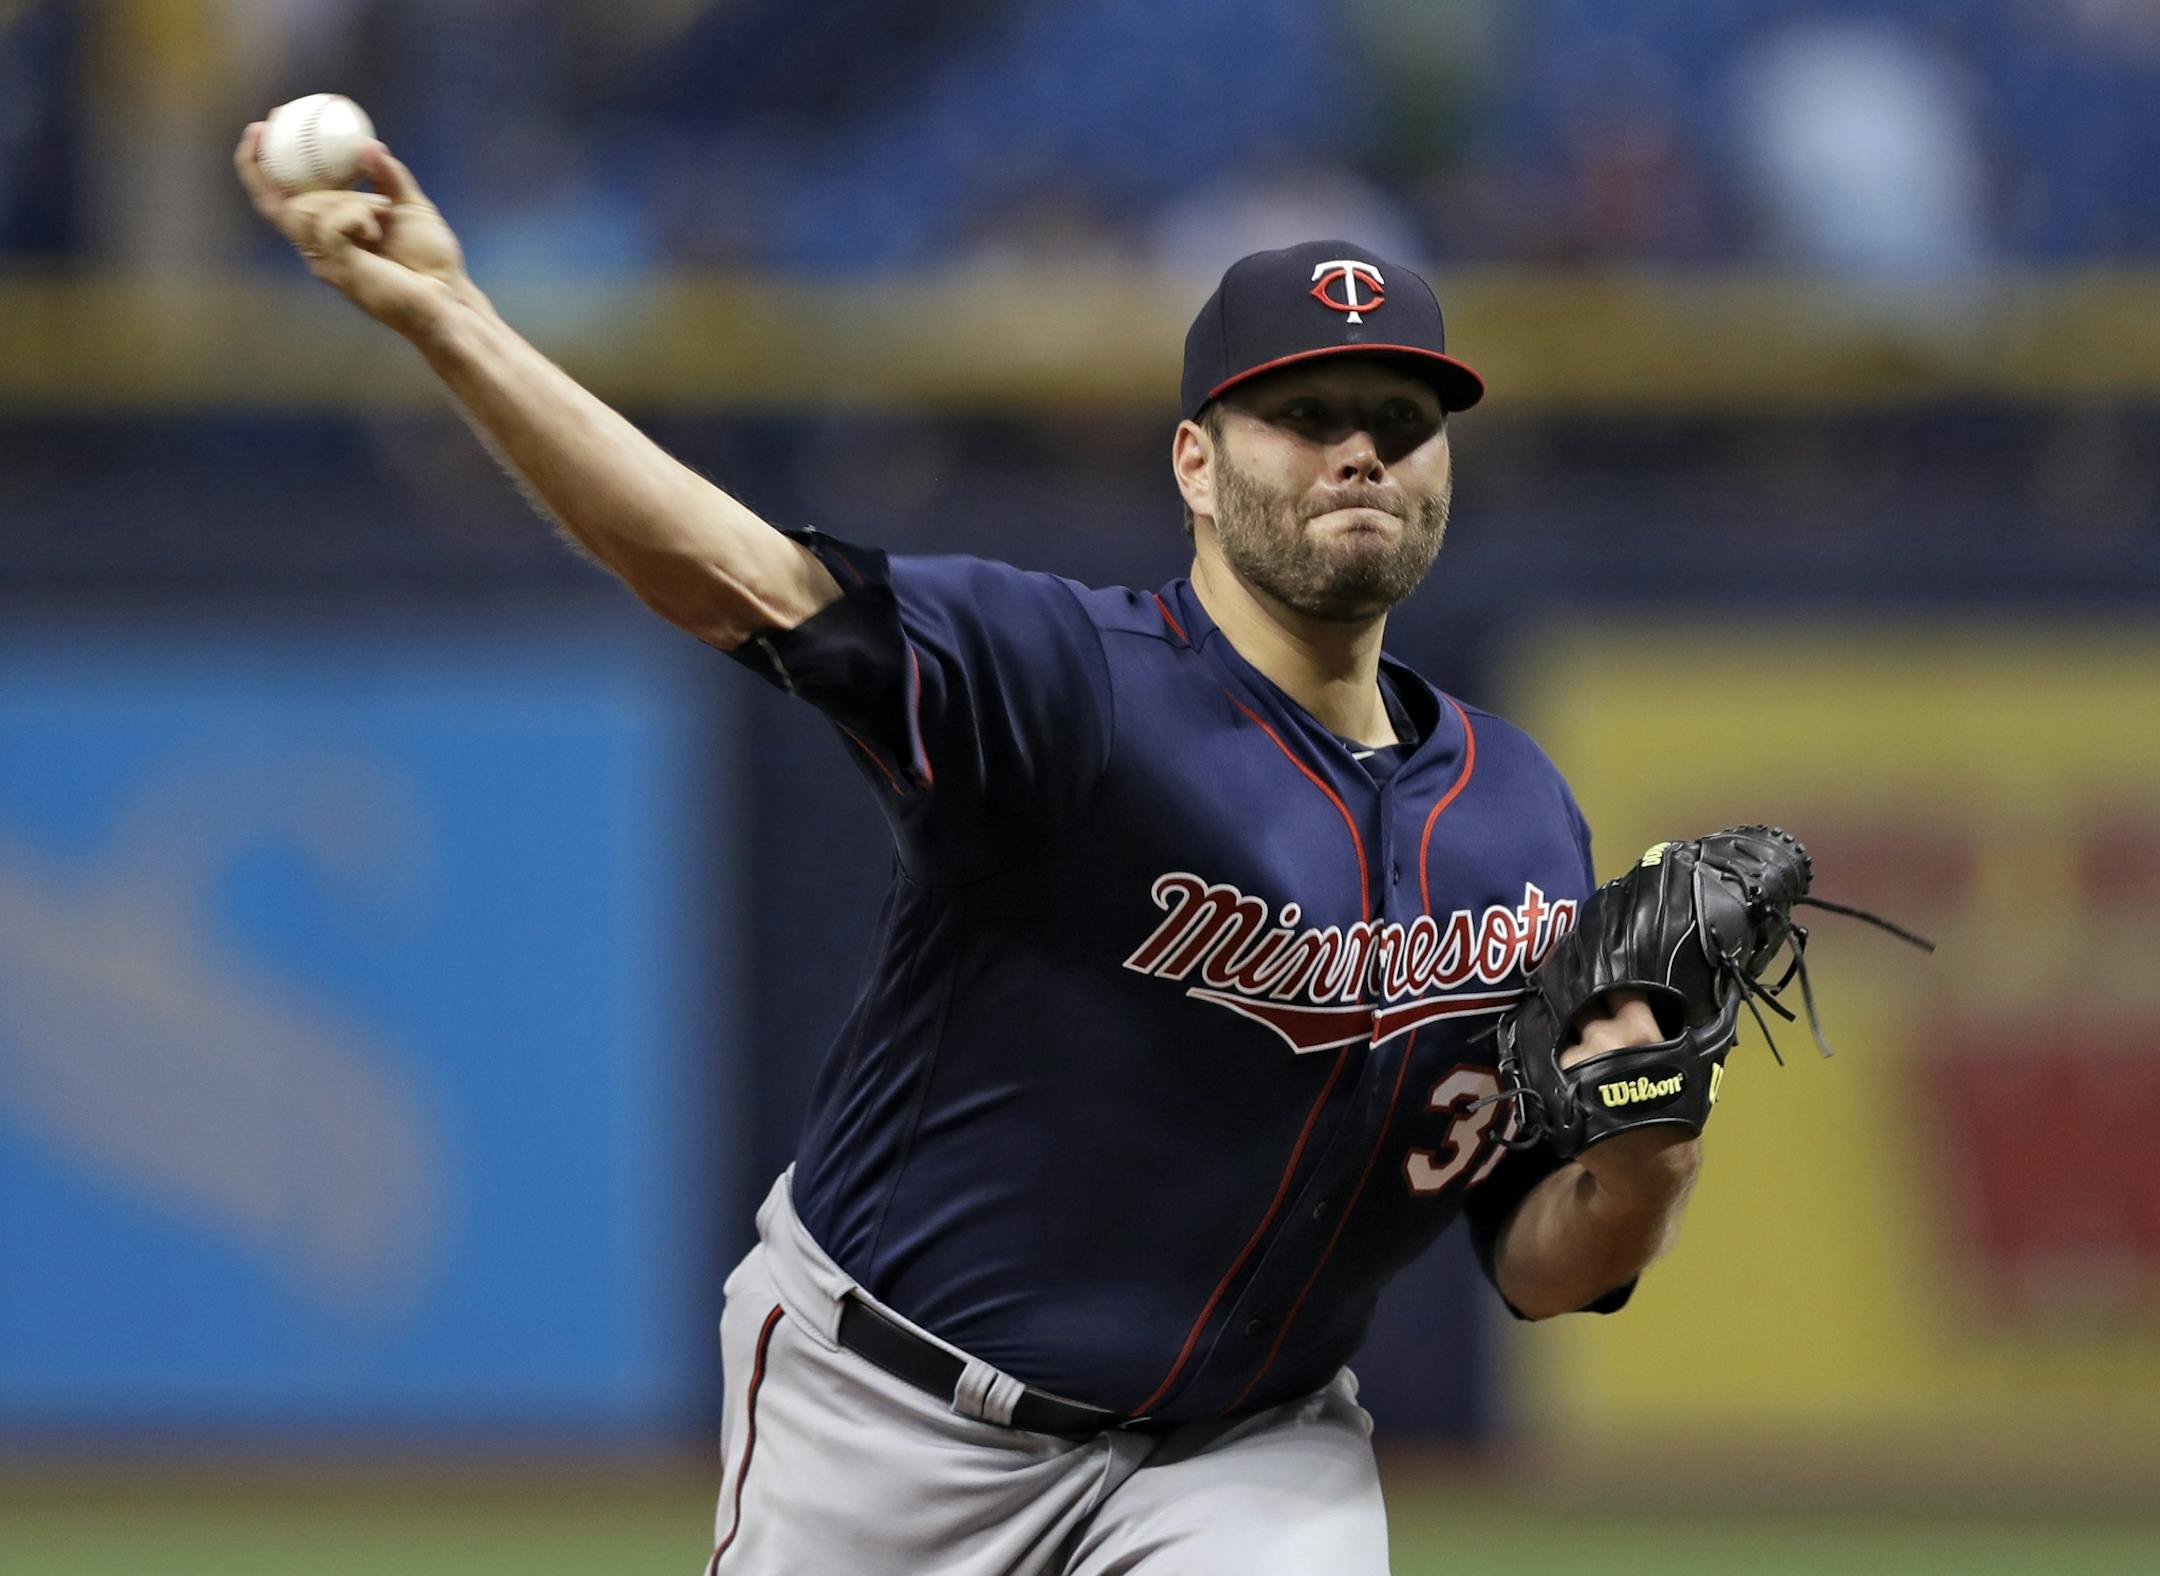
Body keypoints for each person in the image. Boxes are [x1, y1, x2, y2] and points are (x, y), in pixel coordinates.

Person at [237, 127, 1700, 1575]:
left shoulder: (1519, 818)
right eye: (1303, 412)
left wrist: (1644, 1163)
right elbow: (730, 572)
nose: (1361, 445)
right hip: (892, 1422)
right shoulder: (1065, 677)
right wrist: (449, 316)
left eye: (1400, 413)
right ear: (1195, 464)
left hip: (1250, 1456)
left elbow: (1540, 1259)